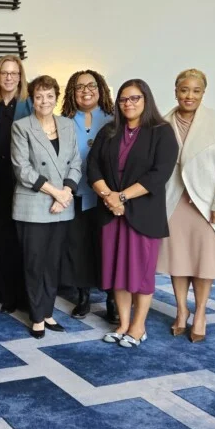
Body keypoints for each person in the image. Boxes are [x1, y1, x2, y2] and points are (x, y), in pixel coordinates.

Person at [86, 79, 178, 348]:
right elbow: (92, 167)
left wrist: (122, 196)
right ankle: (123, 323)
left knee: (140, 273)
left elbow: (160, 173)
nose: (128, 104)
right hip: (110, 213)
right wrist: (109, 197)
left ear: (146, 100)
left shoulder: (161, 132)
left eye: (134, 98)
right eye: (123, 99)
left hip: (143, 214)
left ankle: (139, 326)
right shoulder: (109, 131)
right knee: (117, 272)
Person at [157, 68, 215, 342]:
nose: (189, 96)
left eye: (195, 91)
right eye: (184, 90)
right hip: (174, 202)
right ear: (176, 91)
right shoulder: (163, 122)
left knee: (204, 263)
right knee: (178, 261)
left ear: (203, 93)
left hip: (207, 205)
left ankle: (201, 312)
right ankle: (181, 311)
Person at [11, 75, 82, 339]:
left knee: (53, 263)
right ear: (32, 99)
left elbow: (75, 161)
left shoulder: (66, 124)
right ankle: (37, 316)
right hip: (33, 205)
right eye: (39, 96)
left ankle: (48, 311)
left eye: (49, 95)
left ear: (56, 98)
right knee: (34, 263)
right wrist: (55, 193)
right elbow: (22, 169)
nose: (44, 101)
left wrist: (66, 193)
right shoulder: (21, 126)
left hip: (62, 204)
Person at [59, 70, 118, 323]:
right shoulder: (63, 121)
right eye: (79, 87)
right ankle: (82, 297)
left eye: (91, 85)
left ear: (101, 89)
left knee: (108, 249)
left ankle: (112, 300)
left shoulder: (115, 119)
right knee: (78, 248)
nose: (86, 90)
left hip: (106, 195)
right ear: (72, 92)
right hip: (75, 194)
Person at [0, 55, 33, 314]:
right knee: (2, 240)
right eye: (4, 73)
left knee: (24, 240)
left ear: (21, 77)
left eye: (14, 73)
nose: (9, 77)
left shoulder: (31, 105)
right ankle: (8, 296)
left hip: (24, 182)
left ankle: (27, 294)